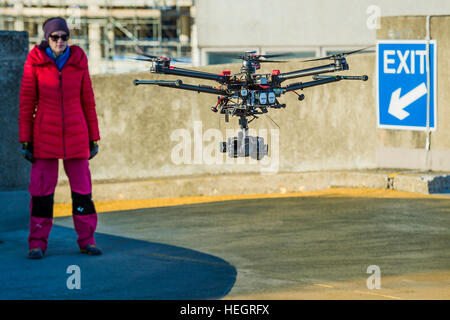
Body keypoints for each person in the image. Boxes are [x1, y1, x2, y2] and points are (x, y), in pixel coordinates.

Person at [19, 17, 102, 259]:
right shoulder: (34, 62)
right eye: (55, 37)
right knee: (42, 194)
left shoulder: (78, 61)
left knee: (82, 194)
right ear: (47, 38)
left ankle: (87, 240)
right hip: (44, 137)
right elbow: (26, 104)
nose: (60, 41)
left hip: (77, 136)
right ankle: (37, 243)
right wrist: (26, 140)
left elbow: (88, 100)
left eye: (64, 37)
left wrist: (93, 137)